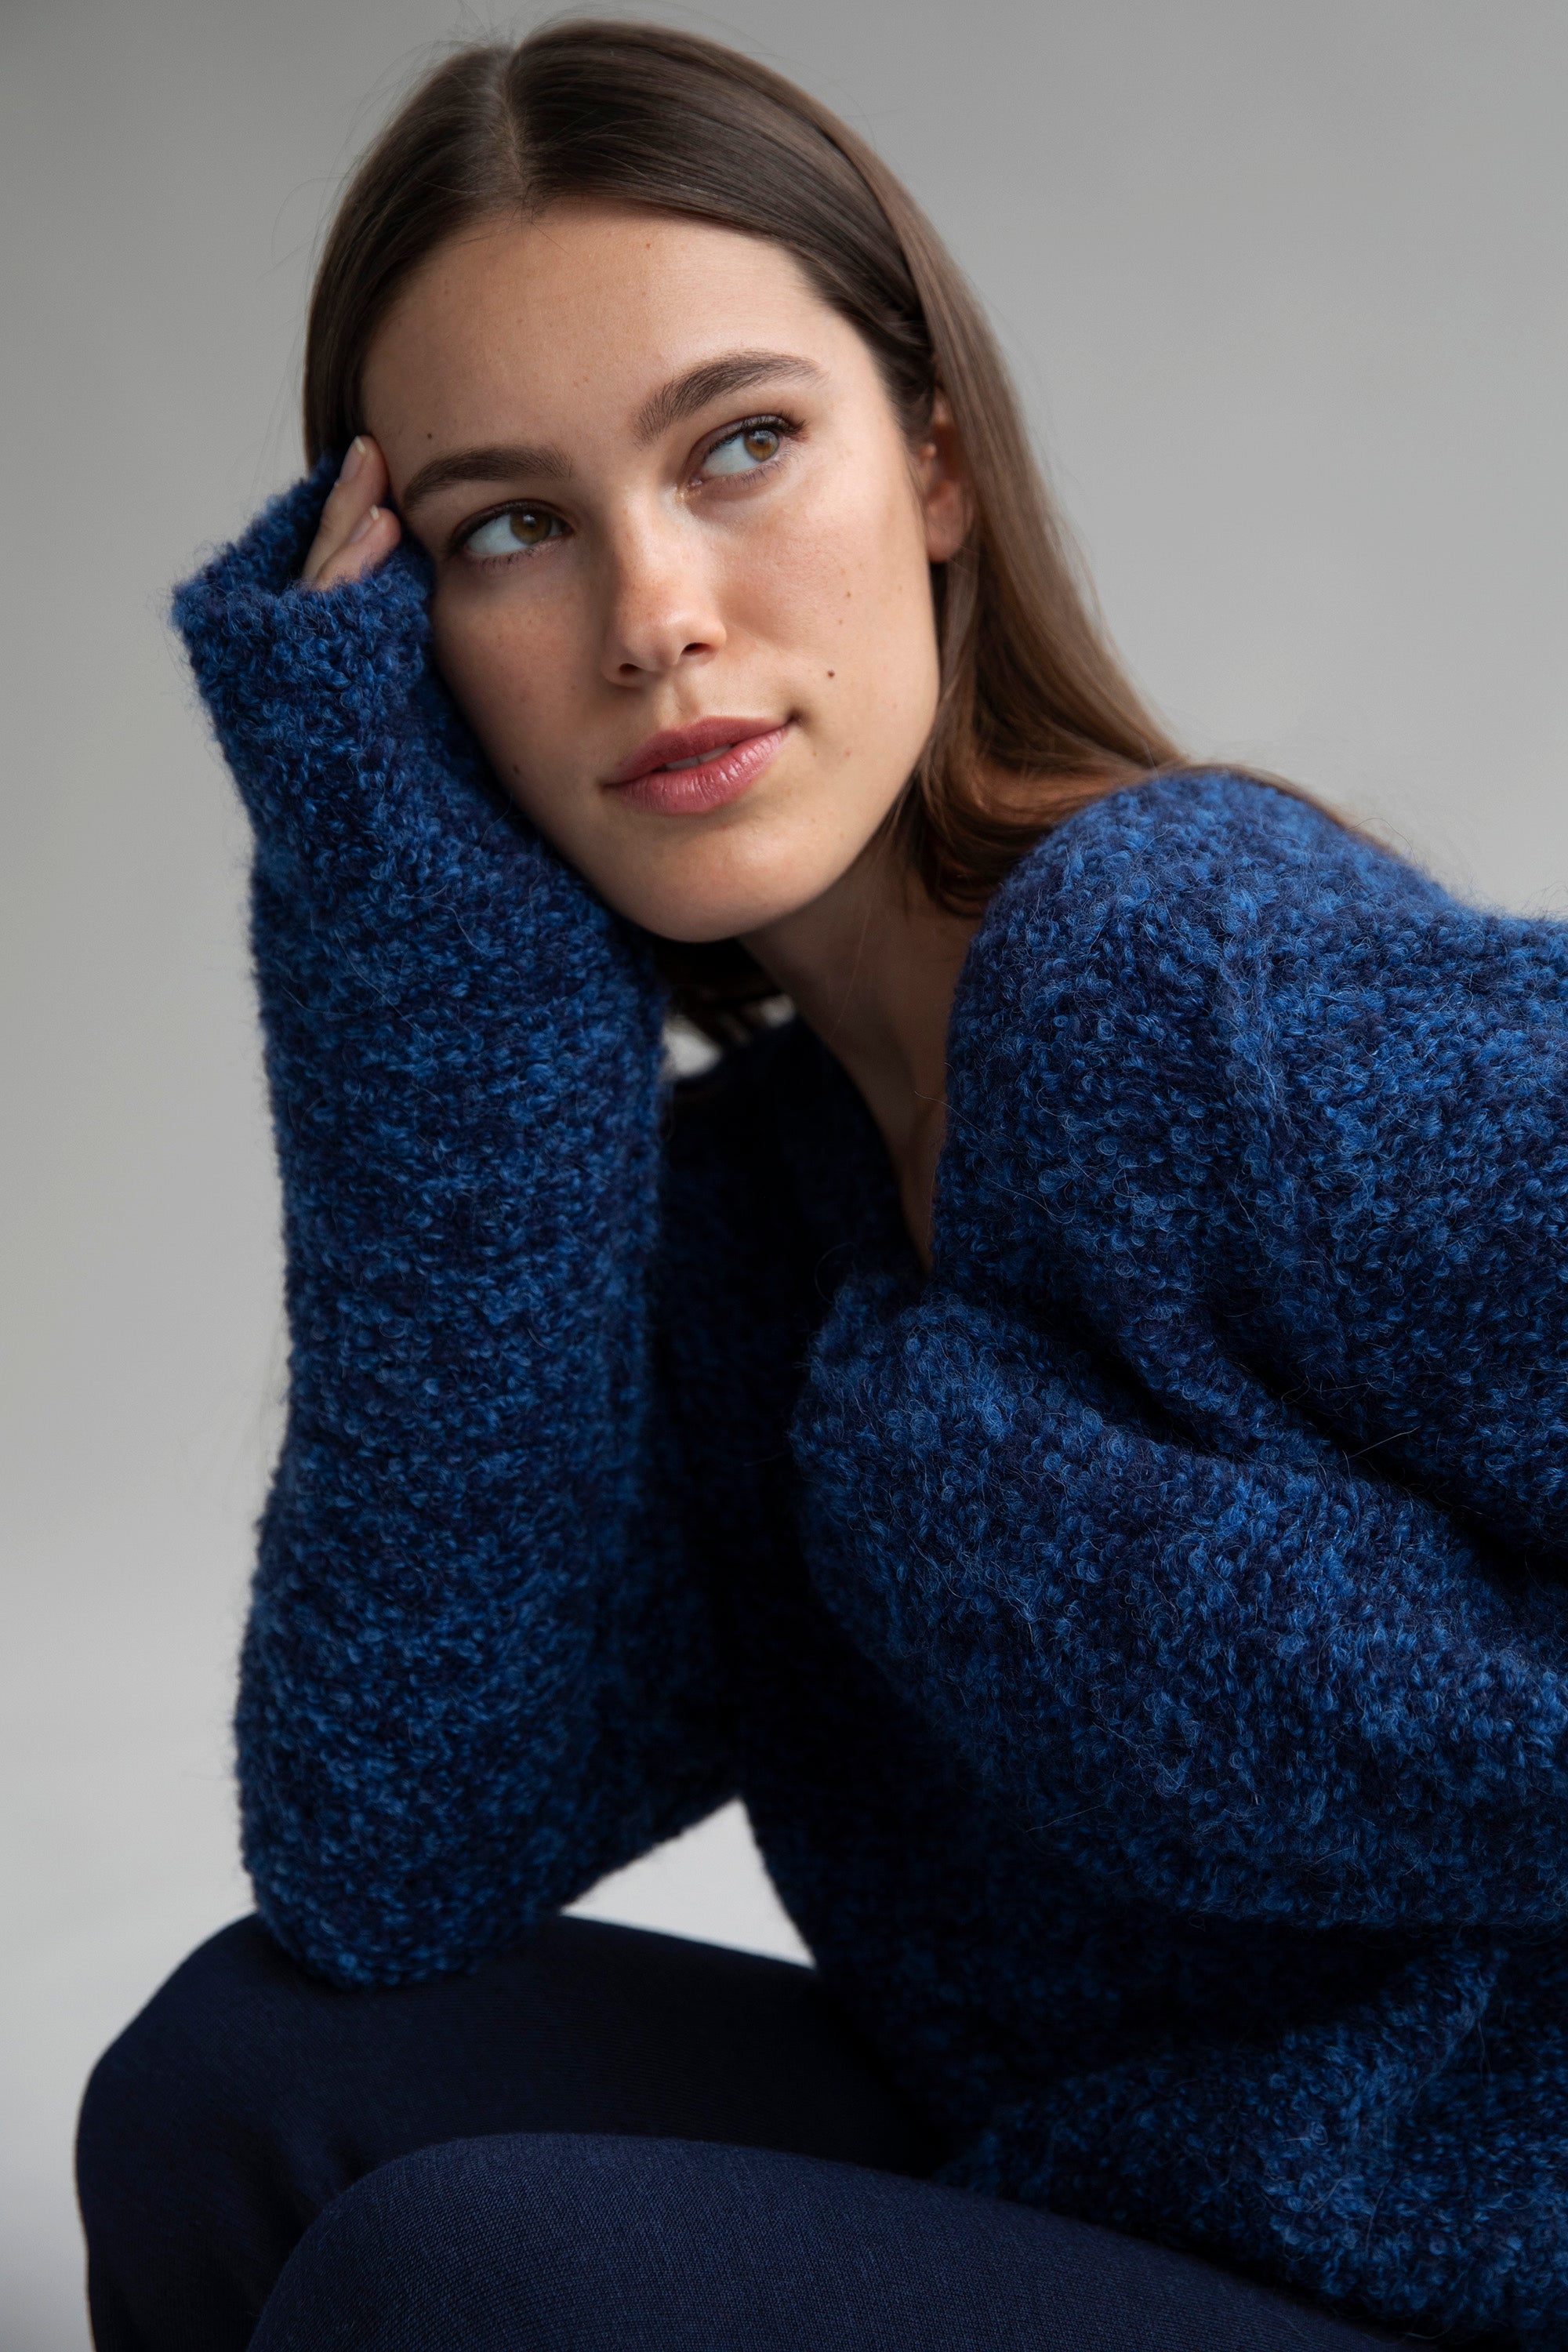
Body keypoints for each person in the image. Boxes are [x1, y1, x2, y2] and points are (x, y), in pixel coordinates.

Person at [75, 20, 1568, 2351]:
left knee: (460, 2285)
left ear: (940, 464)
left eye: (742, 447)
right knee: (240, 2087)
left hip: (1476, 2256)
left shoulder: (1190, 986)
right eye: (510, 531)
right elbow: (392, 1853)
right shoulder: (758, 1215)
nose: (653, 612)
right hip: (1119, 2176)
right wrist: (426, 958)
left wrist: (1246, 1668)